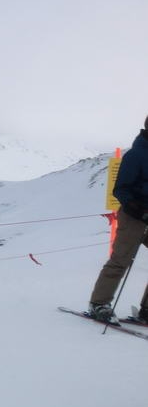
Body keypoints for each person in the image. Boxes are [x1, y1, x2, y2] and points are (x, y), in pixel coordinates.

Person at [87, 116, 148, 324]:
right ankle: (99, 304)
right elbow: (121, 188)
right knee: (121, 258)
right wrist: (137, 208)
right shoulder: (137, 155)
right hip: (134, 215)